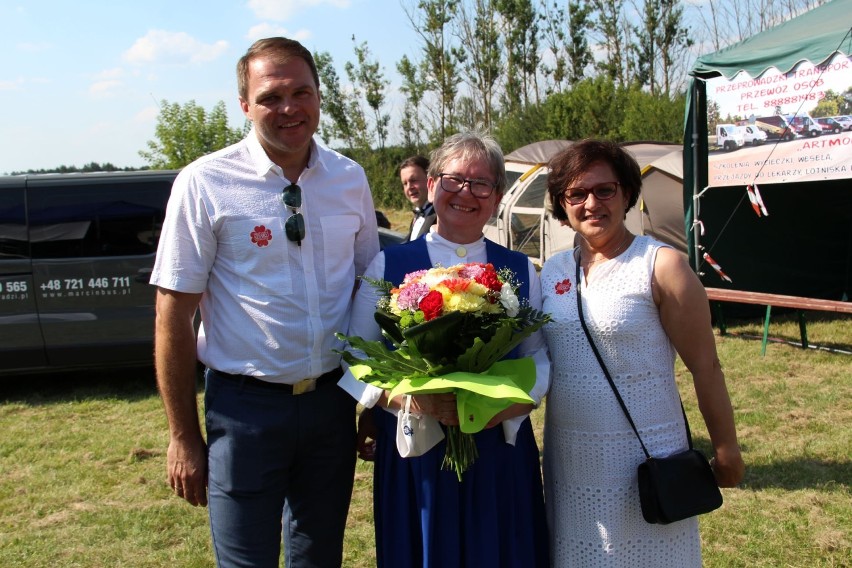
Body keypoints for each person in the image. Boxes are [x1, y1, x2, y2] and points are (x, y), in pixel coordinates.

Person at [149, 37, 380, 568]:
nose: (289, 108)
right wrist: (183, 436)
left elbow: (370, 294)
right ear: (245, 105)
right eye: (272, 96)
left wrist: (371, 403)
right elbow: (172, 315)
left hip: (331, 404)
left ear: (320, 97)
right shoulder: (205, 183)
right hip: (244, 411)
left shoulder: (349, 179)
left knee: (318, 557)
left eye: (302, 92)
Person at [338, 132, 550, 568]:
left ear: (496, 197)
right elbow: (356, 355)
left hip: (498, 447)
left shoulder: (519, 268)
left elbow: (538, 357)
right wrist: (407, 398)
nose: (465, 193)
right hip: (418, 445)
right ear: (432, 184)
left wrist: (506, 409)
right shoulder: (389, 264)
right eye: (454, 180)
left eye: (481, 184)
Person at [539, 139, 745, 567]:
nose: (591, 203)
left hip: (644, 459)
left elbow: (705, 367)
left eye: (605, 190)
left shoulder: (662, 265)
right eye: (577, 193)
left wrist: (726, 449)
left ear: (628, 193)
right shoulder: (553, 271)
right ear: (562, 203)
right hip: (570, 460)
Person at [399, 155, 436, 241]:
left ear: (430, 181)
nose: (409, 187)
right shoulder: (417, 216)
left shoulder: (441, 216)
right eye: (405, 183)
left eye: (413, 180)